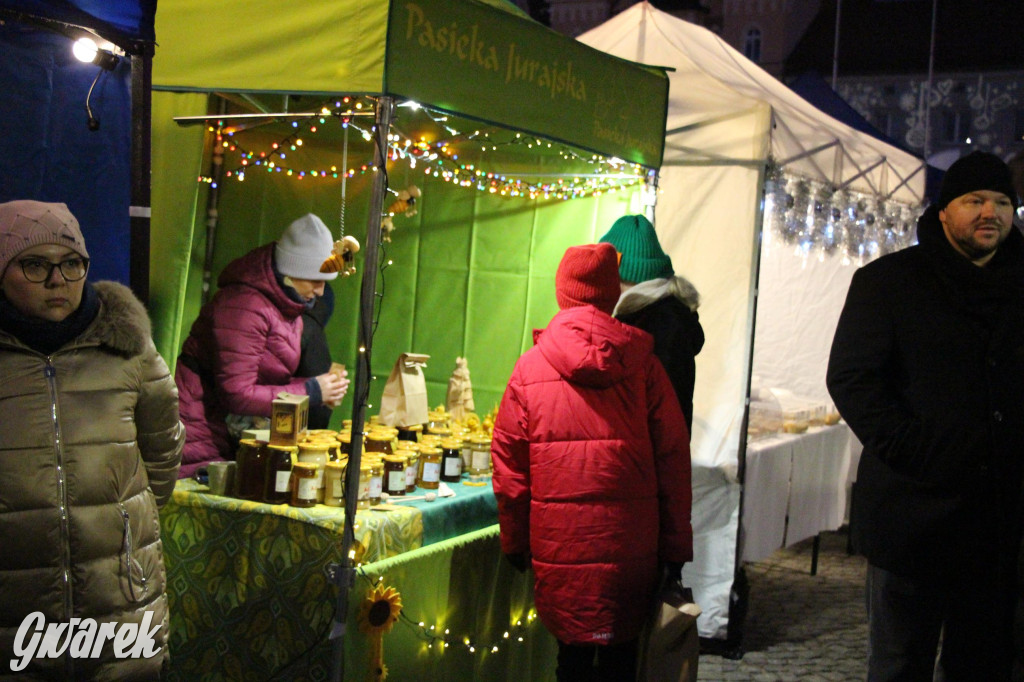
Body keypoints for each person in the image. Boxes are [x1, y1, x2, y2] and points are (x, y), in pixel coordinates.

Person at [827, 151, 1024, 681]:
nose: (991, 212)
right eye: (975, 200)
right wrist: (916, 449)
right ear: (943, 212)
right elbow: (852, 379)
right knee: (898, 665)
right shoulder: (889, 283)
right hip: (911, 515)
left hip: (1000, 525)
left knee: (983, 665)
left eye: (1003, 201)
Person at [491, 242, 693, 682]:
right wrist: (676, 549)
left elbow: (510, 470)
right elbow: (674, 463)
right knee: (623, 664)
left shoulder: (528, 370)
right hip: (631, 550)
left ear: (562, 292)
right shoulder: (646, 367)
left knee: (573, 663)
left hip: (560, 549)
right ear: (611, 295)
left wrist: (514, 541)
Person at [0, 200, 184, 679]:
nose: (58, 280)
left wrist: (122, 523)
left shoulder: (129, 352)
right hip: (14, 599)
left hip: (119, 592)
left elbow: (163, 450)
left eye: (72, 263)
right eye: (35, 265)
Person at [175, 213, 349, 478]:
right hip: (199, 430)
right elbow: (236, 391)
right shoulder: (246, 305)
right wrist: (311, 391)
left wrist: (321, 386)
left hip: (222, 429)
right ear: (293, 271)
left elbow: (264, 376)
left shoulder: (285, 306)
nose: (321, 291)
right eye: (315, 280)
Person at [599, 214, 704, 435]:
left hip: (645, 463)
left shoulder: (654, 328)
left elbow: (661, 420)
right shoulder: (664, 317)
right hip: (657, 460)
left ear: (616, 272)